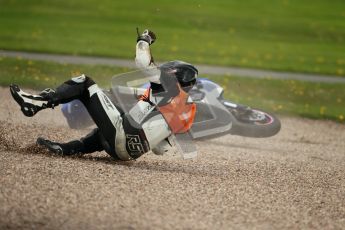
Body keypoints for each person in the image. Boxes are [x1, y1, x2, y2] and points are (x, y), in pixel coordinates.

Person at [9, 29, 198, 160]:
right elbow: (160, 149)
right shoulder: (187, 110)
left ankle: (35, 102)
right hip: (127, 154)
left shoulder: (169, 86)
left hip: (119, 138)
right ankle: (65, 149)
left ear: (175, 76)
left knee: (85, 83)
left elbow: (143, 62)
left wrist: (144, 39)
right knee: (117, 120)